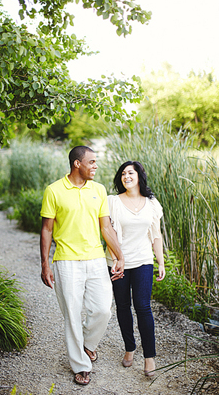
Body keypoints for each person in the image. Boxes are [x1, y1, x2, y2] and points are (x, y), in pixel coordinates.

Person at [40, 145, 125, 386]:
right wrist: (45, 264)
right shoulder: (54, 190)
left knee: (102, 309)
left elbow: (106, 227)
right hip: (66, 261)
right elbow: (46, 229)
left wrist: (120, 256)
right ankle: (81, 365)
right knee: (73, 316)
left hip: (96, 259)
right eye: (92, 162)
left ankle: (87, 344)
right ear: (77, 164)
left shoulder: (98, 190)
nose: (96, 166)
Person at [106, 161, 166, 377]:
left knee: (143, 307)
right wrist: (115, 260)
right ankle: (129, 348)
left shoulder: (151, 203)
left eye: (130, 172)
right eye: (123, 173)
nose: (126, 176)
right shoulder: (112, 201)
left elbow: (156, 235)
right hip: (118, 262)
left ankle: (149, 357)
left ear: (139, 176)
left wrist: (160, 261)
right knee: (123, 306)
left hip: (143, 260)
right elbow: (108, 232)